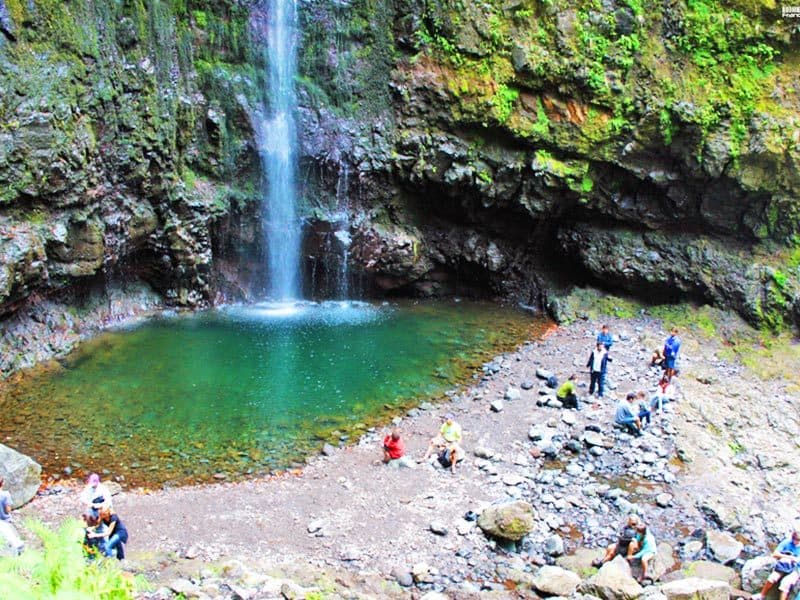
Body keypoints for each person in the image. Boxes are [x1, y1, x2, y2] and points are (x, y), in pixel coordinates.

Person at [752, 527, 800, 600]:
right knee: (772, 578)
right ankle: (762, 595)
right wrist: (789, 557)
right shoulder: (787, 542)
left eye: (798, 541)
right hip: (784, 566)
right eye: (795, 540)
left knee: (785, 583)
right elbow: (775, 554)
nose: (796, 542)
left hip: (796, 569)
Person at [0, 477, 24, 555]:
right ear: (2, 484)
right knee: (11, 538)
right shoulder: (5, 495)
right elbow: (8, 510)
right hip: (4, 520)